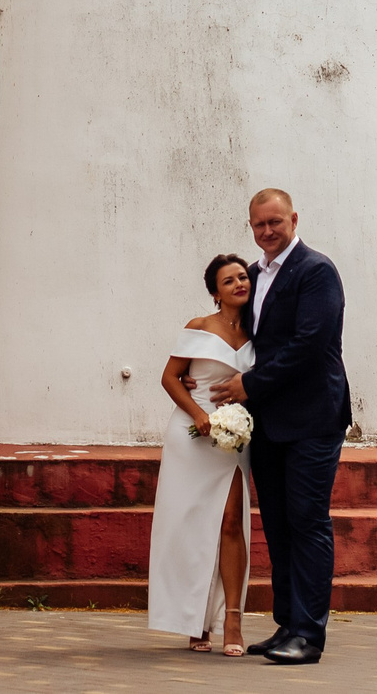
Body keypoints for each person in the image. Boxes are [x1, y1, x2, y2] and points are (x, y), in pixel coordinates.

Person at [210, 188, 350, 666]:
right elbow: (234, 330)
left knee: (308, 522)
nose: (267, 232)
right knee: (279, 524)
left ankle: (308, 636)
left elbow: (311, 344)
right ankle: (287, 625)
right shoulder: (252, 274)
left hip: (313, 418)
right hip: (268, 422)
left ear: (293, 218)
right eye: (258, 225)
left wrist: (249, 384)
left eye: (275, 222)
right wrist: (201, 368)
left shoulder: (316, 271)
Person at [147, 253, 256, 654]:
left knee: (230, 523)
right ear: (215, 292)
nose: (238, 284)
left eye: (242, 277)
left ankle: (232, 620)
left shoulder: (261, 331)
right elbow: (169, 377)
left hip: (234, 438)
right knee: (192, 526)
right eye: (228, 281)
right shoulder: (199, 327)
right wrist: (198, 413)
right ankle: (194, 621)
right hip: (192, 435)